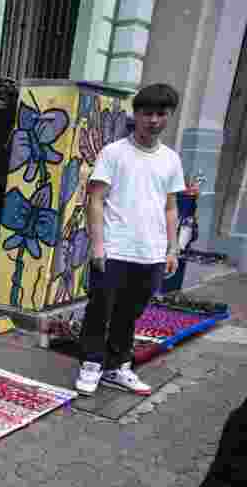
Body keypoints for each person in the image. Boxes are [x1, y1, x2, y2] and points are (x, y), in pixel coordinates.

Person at [76, 84, 185, 395]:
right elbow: (95, 199)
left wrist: (171, 248)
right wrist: (98, 245)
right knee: (100, 308)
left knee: (130, 313)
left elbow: (170, 206)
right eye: (146, 113)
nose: (153, 120)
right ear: (135, 115)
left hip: (150, 252)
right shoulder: (114, 153)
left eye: (160, 114)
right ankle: (91, 364)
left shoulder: (171, 160)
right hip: (114, 247)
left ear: (169, 117)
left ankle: (117, 366)